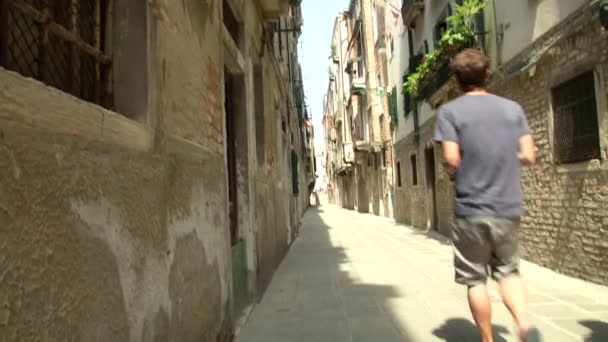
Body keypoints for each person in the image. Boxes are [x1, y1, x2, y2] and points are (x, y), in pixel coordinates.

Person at [434, 49, 540, 342]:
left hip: (471, 210)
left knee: (475, 279)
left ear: (456, 81)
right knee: (508, 272)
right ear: (487, 74)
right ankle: (524, 326)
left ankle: (487, 339)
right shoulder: (512, 108)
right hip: (508, 207)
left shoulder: (449, 112)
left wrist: (456, 171)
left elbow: (451, 159)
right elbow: (530, 155)